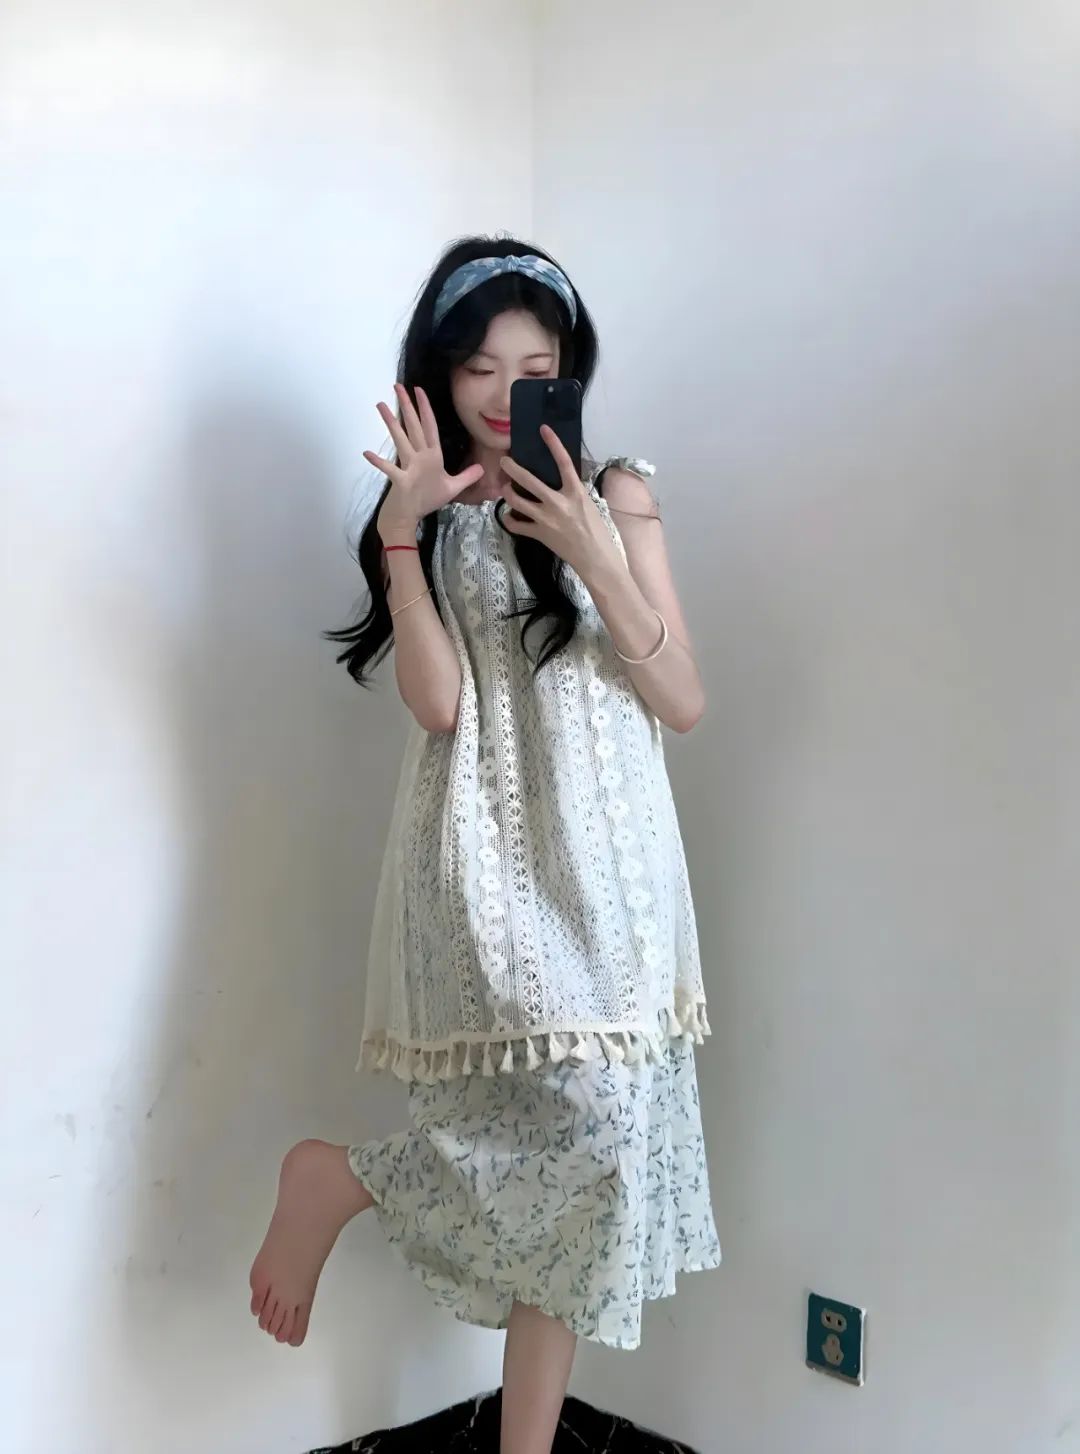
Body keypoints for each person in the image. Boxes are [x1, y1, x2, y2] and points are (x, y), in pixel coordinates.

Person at [248, 237, 721, 1454]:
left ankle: (519, 1438)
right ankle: (340, 1177)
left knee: (596, 1163)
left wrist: (594, 549)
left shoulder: (616, 490)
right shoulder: (435, 518)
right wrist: (403, 536)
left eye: (538, 364)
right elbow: (440, 703)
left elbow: (681, 697)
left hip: (620, 869)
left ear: (570, 369)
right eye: (480, 368)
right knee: (575, 1126)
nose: (510, 391)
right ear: (439, 378)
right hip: (491, 854)